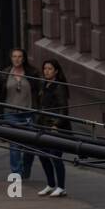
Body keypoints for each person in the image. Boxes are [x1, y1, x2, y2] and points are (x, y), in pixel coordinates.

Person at [0, 47, 42, 180]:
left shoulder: (32, 73)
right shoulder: (6, 73)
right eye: (14, 56)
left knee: (30, 144)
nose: (17, 59)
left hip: (28, 113)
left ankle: (26, 167)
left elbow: (40, 91)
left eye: (19, 56)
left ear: (23, 59)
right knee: (14, 145)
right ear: (11, 58)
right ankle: (16, 173)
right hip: (11, 113)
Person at [35, 59, 71, 197]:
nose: (46, 71)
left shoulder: (59, 86)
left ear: (56, 71)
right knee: (42, 155)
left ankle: (61, 187)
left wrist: (57, 124)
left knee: (55, 156)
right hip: (43, 125)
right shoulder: (44, 84)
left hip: (55, 127)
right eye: (45, 68)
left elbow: (64, 108)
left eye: (50, 69)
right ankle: (50, 184)